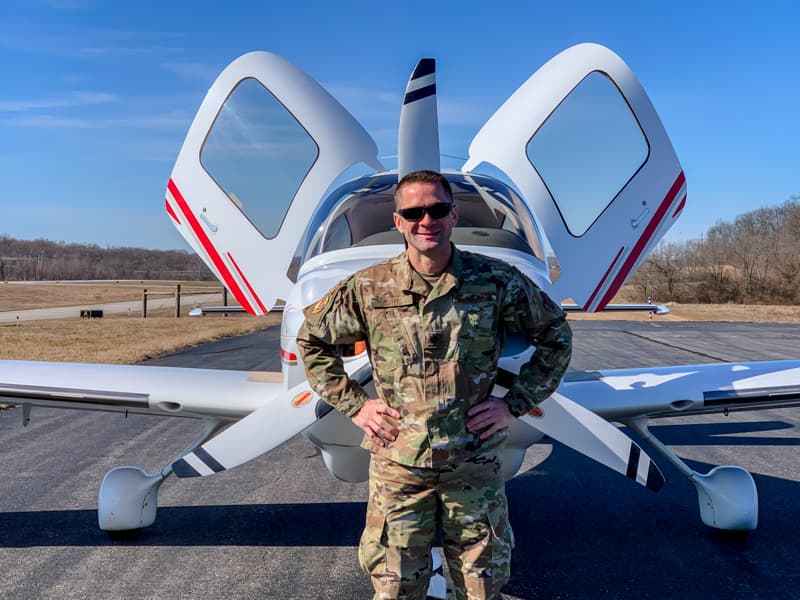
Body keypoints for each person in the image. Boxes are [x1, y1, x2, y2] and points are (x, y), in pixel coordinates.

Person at [297, 169, 572, 600]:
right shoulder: (368, 287)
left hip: (473, 465)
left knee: (482, 588)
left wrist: (513, 403)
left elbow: (556, 336)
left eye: (437, 209)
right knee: (396, 590)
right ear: (399, 221)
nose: (427, 220)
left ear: (453, 214)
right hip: (399, 466)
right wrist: (356, 406)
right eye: (414, 211)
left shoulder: (496, 281)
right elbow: (312, 339)